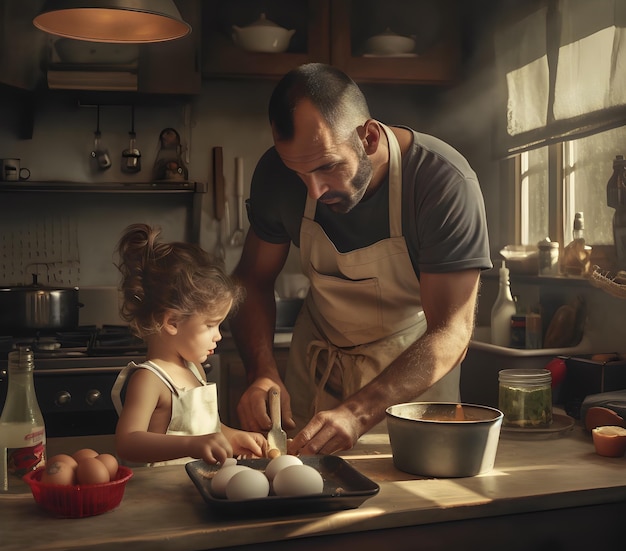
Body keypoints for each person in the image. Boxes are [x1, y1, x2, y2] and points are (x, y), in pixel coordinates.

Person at [229, 63, 492, 456]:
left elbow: (452, 331)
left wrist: (358, 411)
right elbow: (252, 280)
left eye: (327, 167)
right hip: (316, 364)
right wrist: (262, 371)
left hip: (411, 375)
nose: (314, 191)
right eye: (298, 173)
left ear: (368, 136)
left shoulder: (442, 184)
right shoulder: (276, 175)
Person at [112, 223, 267, 466]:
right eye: (210, 325)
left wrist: (233, 436)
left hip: (195, 489)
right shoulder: (150, 378)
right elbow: (128, 443)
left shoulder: (193, 369)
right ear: (172, 322)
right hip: (164, 495)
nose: (218, 336)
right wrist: (192, 445)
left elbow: (204, 428)